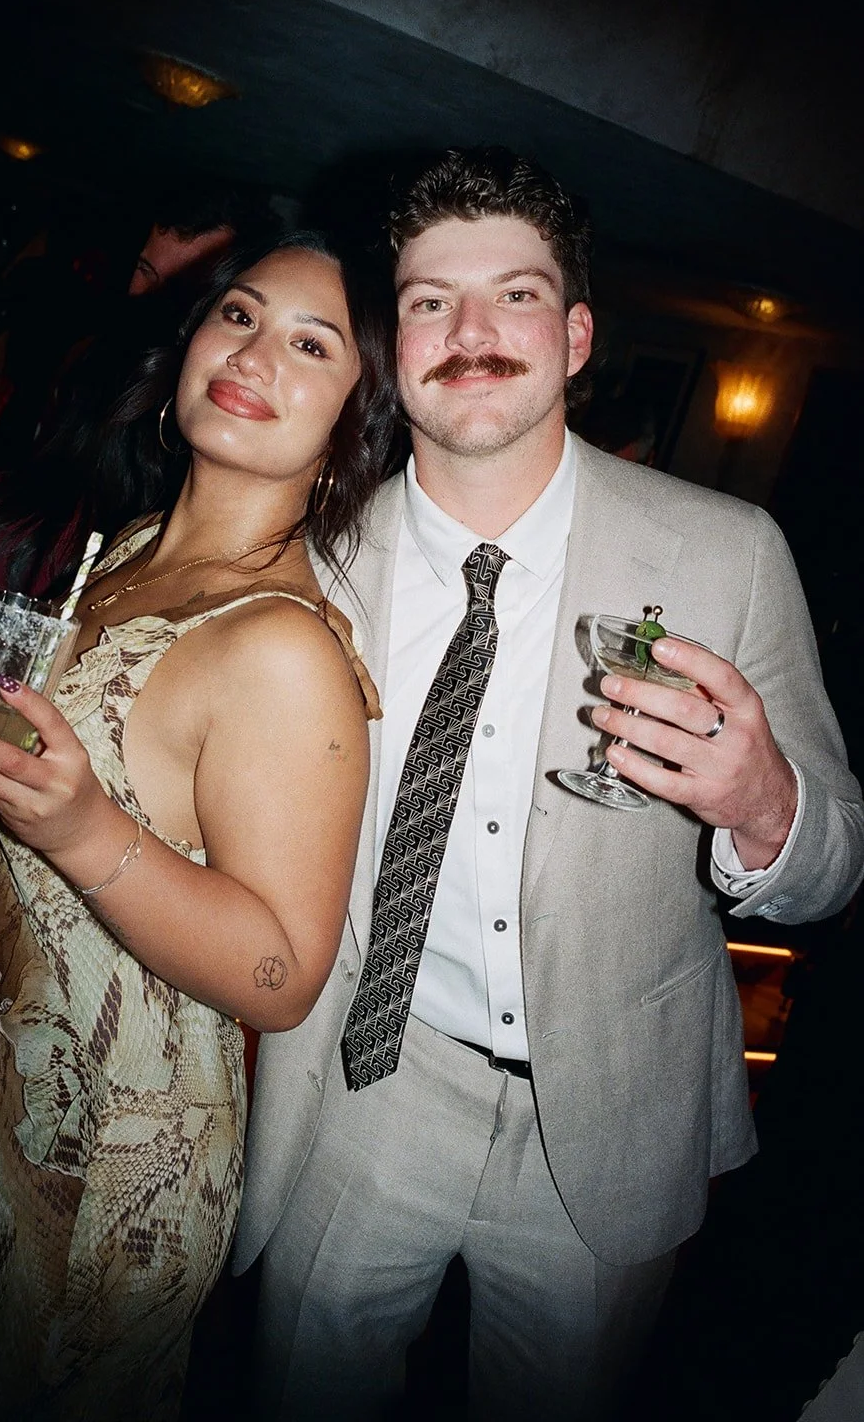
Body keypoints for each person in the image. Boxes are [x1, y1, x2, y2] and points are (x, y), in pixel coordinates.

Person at [232, 148, 864, 1421]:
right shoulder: (301, 552)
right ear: (389, 340)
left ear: (574, 335)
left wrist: (758, 805)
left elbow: (834, 860)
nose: (468, 333)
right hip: (367, 1085)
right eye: (427, 301)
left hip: (609, 1112)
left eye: (513, 296)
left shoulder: (728, 551)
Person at [0, 228, 399, 1421]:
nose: (253, 351)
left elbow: (280, 972)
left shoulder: (280, 647)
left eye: (310, 343)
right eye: (237, 314)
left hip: (103, 1158)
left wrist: (79, 830)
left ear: (355, 421)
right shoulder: (124, 550)